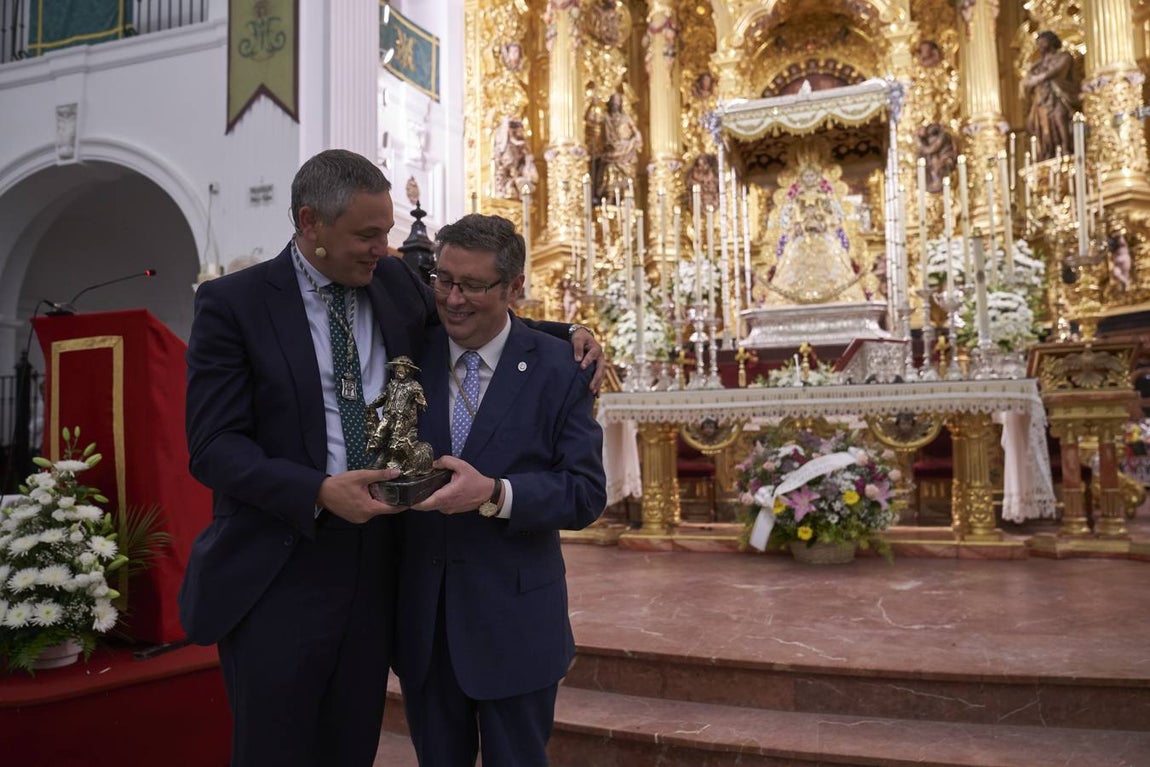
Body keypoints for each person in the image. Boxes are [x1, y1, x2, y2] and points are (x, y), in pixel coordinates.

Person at [178, 150, 604, 767]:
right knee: (276, 748)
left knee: (352, 745)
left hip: (379, 565)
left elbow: (477, 313)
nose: (386, 247)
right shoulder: (235, 305)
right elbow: (213, 447)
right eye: (368, 234)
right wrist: (318, 491)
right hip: (282, 565)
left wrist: (568, 335)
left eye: (387, 231)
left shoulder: (393, 281)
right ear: (310, 225)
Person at [393, 214, 607, 766]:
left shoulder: (559, 368)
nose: (453, 299)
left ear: (514, 288)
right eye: (442, 280)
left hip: (515, 624)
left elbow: (584, 493)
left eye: (473, 285)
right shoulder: (406, 353)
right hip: (425, 627)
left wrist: (495, 495)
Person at [1023, 30, 1079, 162]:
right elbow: (1027, 80)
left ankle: (1066, 149)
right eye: (1039, 43)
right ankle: (1048, 152)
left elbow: (1058, 70)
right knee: (1044, 127)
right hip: (1042, 98)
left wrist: (1040, 78)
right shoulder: (1037, 64)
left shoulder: (1064, 56)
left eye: (1043, 41)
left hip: (1058, 94)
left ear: (1051, 41)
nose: (1041, 45)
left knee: (1059, 118)